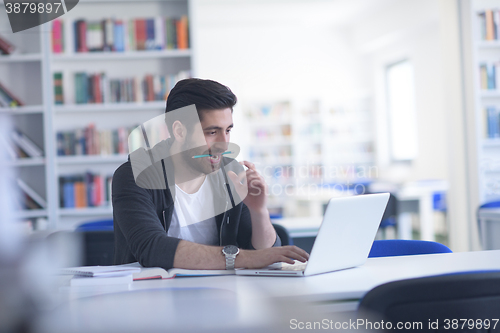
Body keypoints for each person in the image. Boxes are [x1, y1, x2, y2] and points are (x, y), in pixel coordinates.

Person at [113, 78, 309, 270]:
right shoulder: (134, 175)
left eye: (228, 130)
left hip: (221, 294)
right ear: (179, 131)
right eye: (212, 132)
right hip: (150, 296)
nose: (224, 145)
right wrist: (240, 258)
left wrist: (259, 212)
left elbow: (264, 256)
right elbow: (153, 249)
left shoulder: (231, 173)